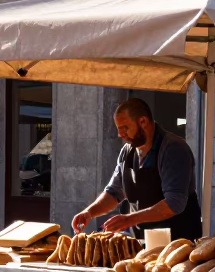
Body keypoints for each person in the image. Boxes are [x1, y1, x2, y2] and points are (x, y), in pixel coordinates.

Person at [72, 97, 201, 241]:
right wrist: (90, 212)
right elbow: (114, 192)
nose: (120, 135)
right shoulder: (127, 152)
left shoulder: (174, 149)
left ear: (143, 122)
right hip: (142, 241)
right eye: (118, 129)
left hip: (178, 242)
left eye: (125, 128)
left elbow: (174, 203)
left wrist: (128, 219)